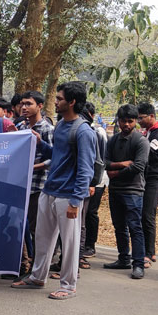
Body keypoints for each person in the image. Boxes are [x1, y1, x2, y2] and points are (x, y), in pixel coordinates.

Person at [12, 82, 96, 299]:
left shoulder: (83, 131)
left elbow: (86, 169)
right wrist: (40, 143)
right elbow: (57, 155)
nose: (56, 102)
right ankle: (38, 276)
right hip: (49, 190)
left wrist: (76, 201)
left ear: (72, 102)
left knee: (69, 243)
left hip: (68, 195)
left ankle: (68, 285)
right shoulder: (60, 126)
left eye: (59, 99)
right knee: (42, 238)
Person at [103, 104, 150, 279]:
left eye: (130, 121)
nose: (127, 125)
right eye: (123, 121)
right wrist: (121, 164)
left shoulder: (141, 141)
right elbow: (104, 162)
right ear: (119, 120)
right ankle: (123, 258)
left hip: (133, 191)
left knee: (135, 227)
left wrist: (115, 173)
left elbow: (139, 166)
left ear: (136, 121)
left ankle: (138, 264)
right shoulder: (113, 140)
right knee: (119, 227)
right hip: (115, 190)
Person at [16, 91, 54, 274]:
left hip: (37, 185)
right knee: (18, 225)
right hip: (19, 183)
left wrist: (33, 167)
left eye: (29, 104)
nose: (24, 107)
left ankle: (37, 269)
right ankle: (24, 264)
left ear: (40, 106)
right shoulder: (19, 126)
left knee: (35, 228)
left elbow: (54, 159)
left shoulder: (47, 129)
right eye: (22, 104)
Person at [137, 102, 158, 268]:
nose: (139, 121)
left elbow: (149, 152)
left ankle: (149, 253)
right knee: (142, 213)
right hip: (146, 177)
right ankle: (144, 249)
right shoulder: (149, 132)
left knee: (147, 213)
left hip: (156, 178)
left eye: (141, 118)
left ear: (151, 116)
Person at [81, 103, 108, 259]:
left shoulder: (97, 132)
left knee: (91, 212)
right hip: (86, 178)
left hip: (97, 179)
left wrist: (93, 182)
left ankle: (90, 245)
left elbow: (100, 159)